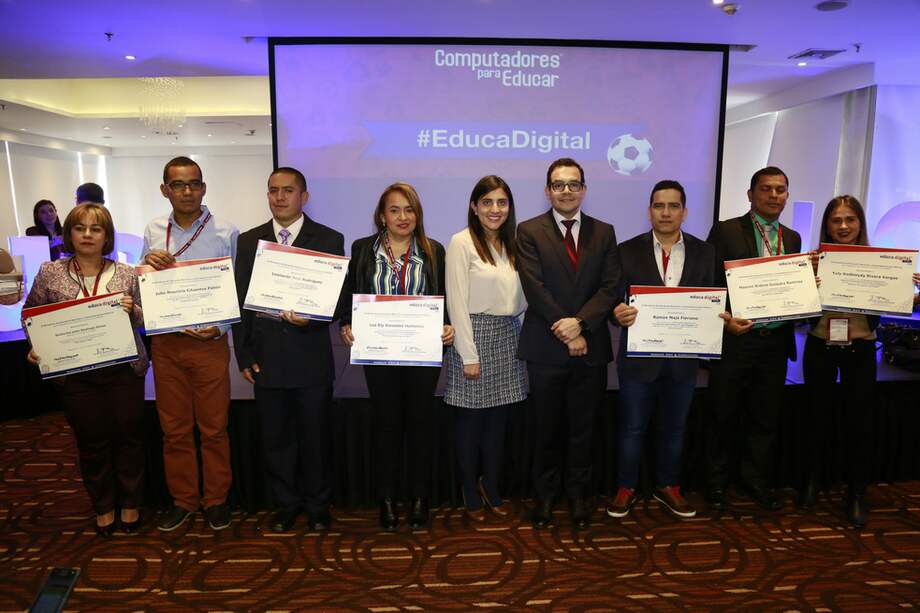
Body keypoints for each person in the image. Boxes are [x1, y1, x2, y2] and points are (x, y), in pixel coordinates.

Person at [23, 203, 148, 535]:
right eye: (80, 228)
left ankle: (132, 504)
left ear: (106, 235)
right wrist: (37, 344)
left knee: (129, 439)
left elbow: (145, 319)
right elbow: (30, 313)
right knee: (91, 442)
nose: (88, 235)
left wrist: (133, 309)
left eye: (96, 229)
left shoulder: (126, 273)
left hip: (123, 371)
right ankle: (104, 506)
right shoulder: (50, 272)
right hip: (76, 375)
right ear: (70, 233)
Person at [338, 182, 455, 531]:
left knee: (420, 425)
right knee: (386, 426)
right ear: (381, 215)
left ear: (418, 215)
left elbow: (444, 297)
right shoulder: (362, 250)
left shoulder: (434, 250)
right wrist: (347, 323)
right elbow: (349, 297)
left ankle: (420, 497)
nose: (403, 217)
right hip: (380, 354)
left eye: (409, 210)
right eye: (395, 210)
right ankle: (387, 498)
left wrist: (447, 327)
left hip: (422, 354)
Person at [233, 167, 344, 533]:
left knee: (315, 437)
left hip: (310, 355)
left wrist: (310, 319)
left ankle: (317, 506)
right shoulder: (250, 241)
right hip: (266, 358)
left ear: (304, 197)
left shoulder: (328, 239)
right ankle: (286, 504)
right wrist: (244, 355)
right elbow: (241, 301)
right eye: (273, 191)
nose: (280, 197)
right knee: (276, 440)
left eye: (288, 191)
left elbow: (337, 299)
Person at [799, 196, 919, 528]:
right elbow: (796, 305)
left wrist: (912, 292)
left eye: (850, 219)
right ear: (826, 224)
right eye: (836, 220)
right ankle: (811, 481)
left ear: (860, 224)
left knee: (860, 424)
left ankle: (856, 492)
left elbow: (892, 301)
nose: (843, 226)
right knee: (815, 417)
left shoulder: (880, 262)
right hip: (821, 345)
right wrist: (804, 280)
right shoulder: (812, 262)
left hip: (861, 348)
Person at [517, 158, 621, 530]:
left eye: (573, 184)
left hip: (590, 346)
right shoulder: (528, 231)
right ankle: (544, 498)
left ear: (584, 190)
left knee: (583, 428)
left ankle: (578, 496)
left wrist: (580, 324)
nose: (566, 191)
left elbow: (611, 287)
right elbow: (534, 285)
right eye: (558, 185)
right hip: (546, 348)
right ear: (547, 191)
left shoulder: (604, 232)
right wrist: (566, 328)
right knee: (546, 428)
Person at [606, 180, 715, 520]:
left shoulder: (704, 252)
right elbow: (612, 297)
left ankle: (669, 486)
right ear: (649, 210)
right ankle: (626, 487)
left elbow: (711, 300)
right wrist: (617, 312)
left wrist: (720, 319)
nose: (665, 213)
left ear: (684, 211)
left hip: (683, 361)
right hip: (639, 361)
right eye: (658, 206)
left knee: (675, 428)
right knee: (633, 428)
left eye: (673, 206)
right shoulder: (626, 251)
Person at [142, 156, 239, 532]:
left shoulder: (225, 232)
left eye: (194, 183)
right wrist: (147, 263)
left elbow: (236, 287)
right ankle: (183, 500)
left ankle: (216, 500)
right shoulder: (153, 230)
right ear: (165, 190)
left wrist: (220, 326)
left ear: (204, 187)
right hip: (167, 342)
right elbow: (143, 283)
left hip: (209, 341)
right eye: (178, 185)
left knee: (214, 428)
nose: (187, 191)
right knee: (175, 429)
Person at [705, 166, 801, 513]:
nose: (774, 195)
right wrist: (725, 321)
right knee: (722, 414)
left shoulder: (792, 238)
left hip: (774, 344)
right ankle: (716, 485)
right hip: (736, 340)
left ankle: (754, 480)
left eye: (780, 189)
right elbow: (711, 282)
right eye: (766, 189)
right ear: (750, 194)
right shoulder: (726, 231)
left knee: (765, 418)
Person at [445, 175, 526, 523]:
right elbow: (457, 303)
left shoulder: (516, 244)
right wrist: (469, 354)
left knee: (498, 423)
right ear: (474, 207)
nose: (495, 209)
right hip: (473, 336)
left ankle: (490, 484)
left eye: (502, 202)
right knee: (471, 422)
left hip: (508, 336)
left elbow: (520, 300)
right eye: (488, 202)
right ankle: (467, 486)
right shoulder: (461, 242)